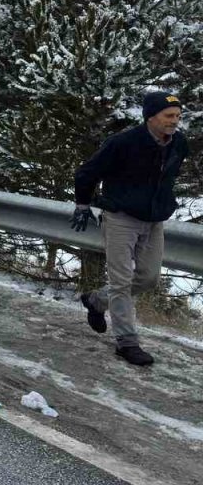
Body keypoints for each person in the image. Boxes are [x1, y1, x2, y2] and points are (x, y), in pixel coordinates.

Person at [72, 91, 189, 366]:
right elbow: (87, 173)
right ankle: (127, 342)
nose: (174, 121)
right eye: (169, 116)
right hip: (121, 217)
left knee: (148, 278)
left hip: (154, 220)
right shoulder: (123, 142)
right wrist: (82, 204)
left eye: (178, 117)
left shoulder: (178, 144)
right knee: (122, 281)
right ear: (151, 116)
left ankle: (96, 300)